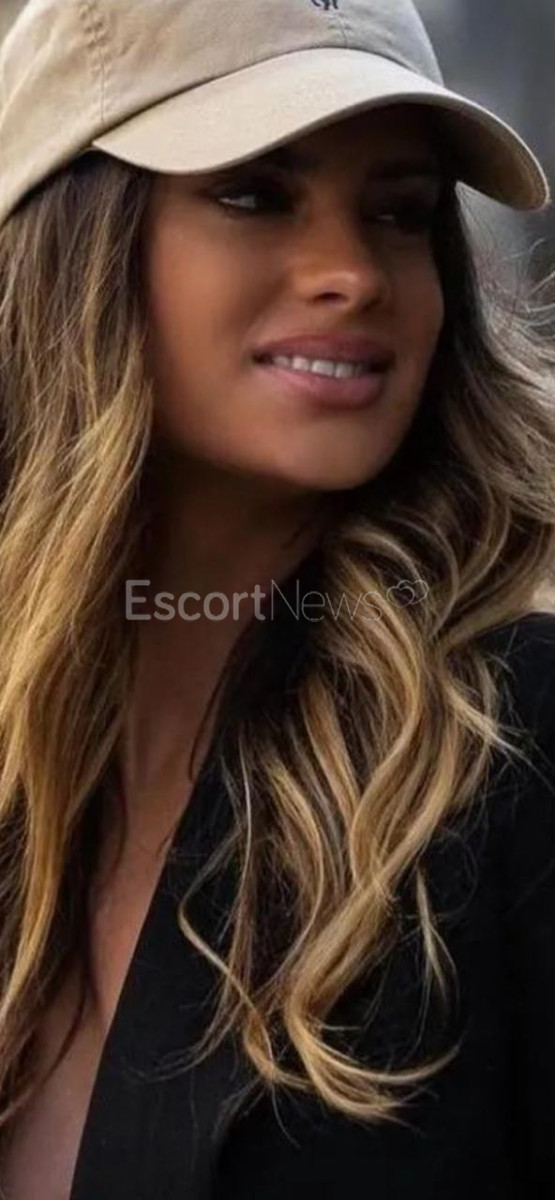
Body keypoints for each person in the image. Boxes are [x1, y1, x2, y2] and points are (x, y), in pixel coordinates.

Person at [0, 0, 554, 1196]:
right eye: (255, 193)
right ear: (71, 239)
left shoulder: (512, 747)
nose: (352, 274)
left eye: (400, 213)